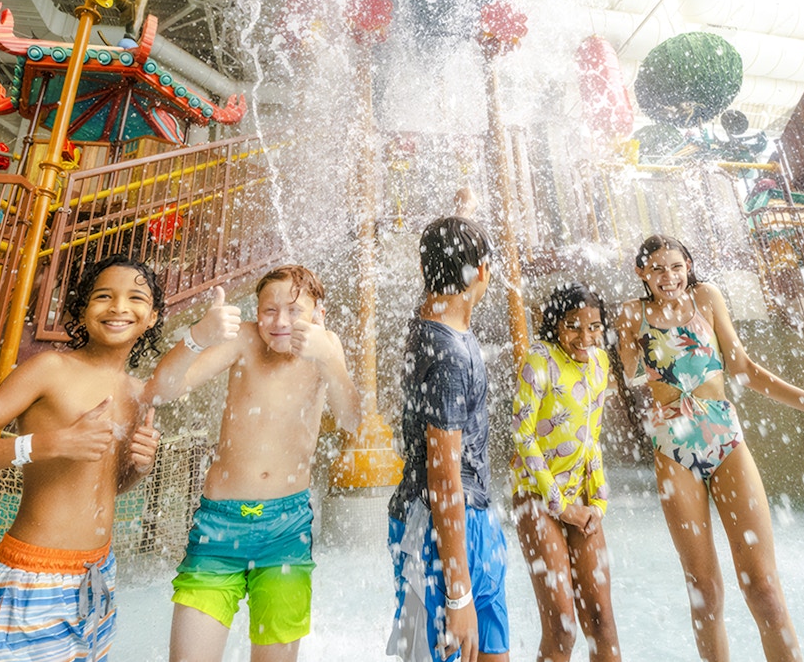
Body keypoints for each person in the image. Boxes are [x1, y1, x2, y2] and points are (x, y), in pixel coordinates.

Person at [0, 255, 236, 661]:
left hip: (98, 576)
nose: (119, 307)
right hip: (34, 577)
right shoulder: (49, 370)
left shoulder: (137, 393)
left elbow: (106, 487)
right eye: (104, 296)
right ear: (82, 311)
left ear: (153, 316)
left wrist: (138, 467)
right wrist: (50, 443)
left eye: (135, 298)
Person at [615, 235, 804, 662]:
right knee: (704, 590)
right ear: (642, 273)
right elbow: (630, 376)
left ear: (689, 265)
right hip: (671, 446)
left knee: (764, 588)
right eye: (658, 269)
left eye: (677, 266)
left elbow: (742, 368)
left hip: (723, 436)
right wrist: (636, 355)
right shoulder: (631, 313)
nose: (669, 277)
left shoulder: (707, 297)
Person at [145, 264, 360, 662]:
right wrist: (196, 338)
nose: (280, 322)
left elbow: (352, 420)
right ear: (256, 312)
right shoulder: (244, 339)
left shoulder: (325, 348)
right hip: (219, 526)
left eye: (295, 311)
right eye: (269, 310)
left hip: (286, 528)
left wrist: (330, 359)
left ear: (319, 315)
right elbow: (162, 390)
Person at [387, 215, 510, 662]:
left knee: (493, 652)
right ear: (481, 271)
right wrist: (458, 596)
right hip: (437, 529)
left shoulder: (434, 324)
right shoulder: (450, 355)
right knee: (445, 650)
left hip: (470, 517)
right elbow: (442, 478)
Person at [510, 282, 621, 662]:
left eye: (594, 326)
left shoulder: (601, 364)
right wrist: (559, 505)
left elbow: (593, 437)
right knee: (562, 626)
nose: (585, 336)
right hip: (536, 497)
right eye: (574, 325)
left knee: (602, 621)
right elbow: (523, 434)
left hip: (580, 497)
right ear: (555, 323)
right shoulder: (539, 359)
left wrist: (599, 501)